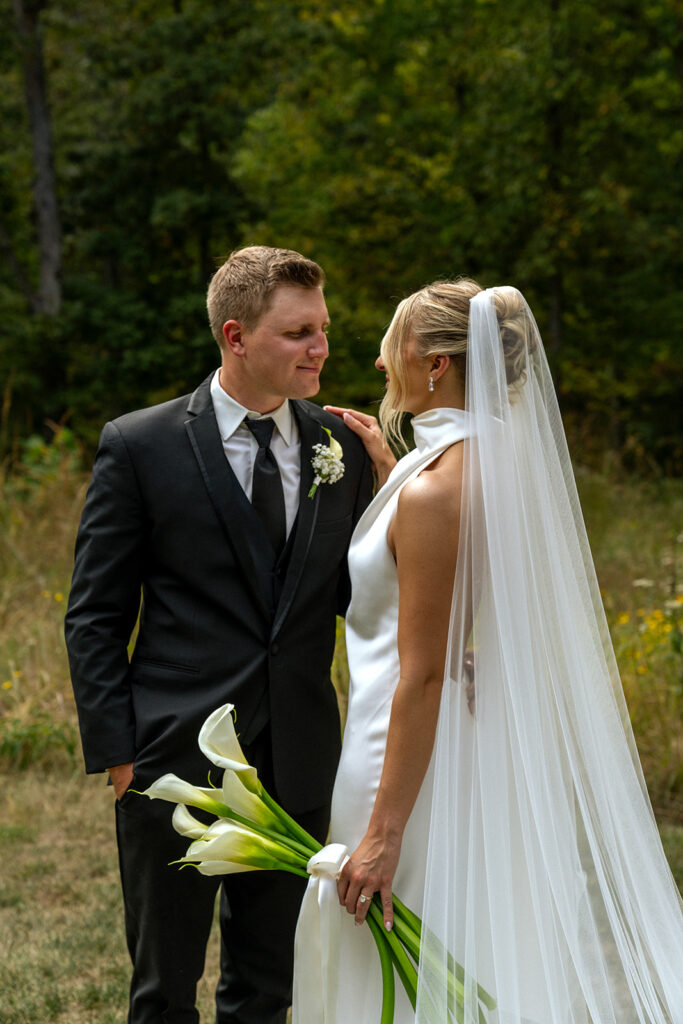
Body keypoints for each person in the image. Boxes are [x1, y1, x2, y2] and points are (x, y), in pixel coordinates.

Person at [292, 280, 683, 1023]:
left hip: (396, 752)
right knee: (450, 934)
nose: (379, 363)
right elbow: (461, 590)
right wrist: (385, 474)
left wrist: (381, 834)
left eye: (391, 344)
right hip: (461, 744)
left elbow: (426, 670)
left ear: (434, 363)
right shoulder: (492, 464)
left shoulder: (437, 488)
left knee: (388, 935)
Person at [64, 245, 377, 1024]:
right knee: (163, 990)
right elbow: (95, 613)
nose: (321, 350)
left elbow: (360, 597)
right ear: (235, 337)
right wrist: (120, 757)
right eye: (297, 332)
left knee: (269, 990)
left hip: (299, 760)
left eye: (323, 329)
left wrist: (389, 473)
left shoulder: (338, 449)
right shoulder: (140, 445)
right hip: (170, 760)